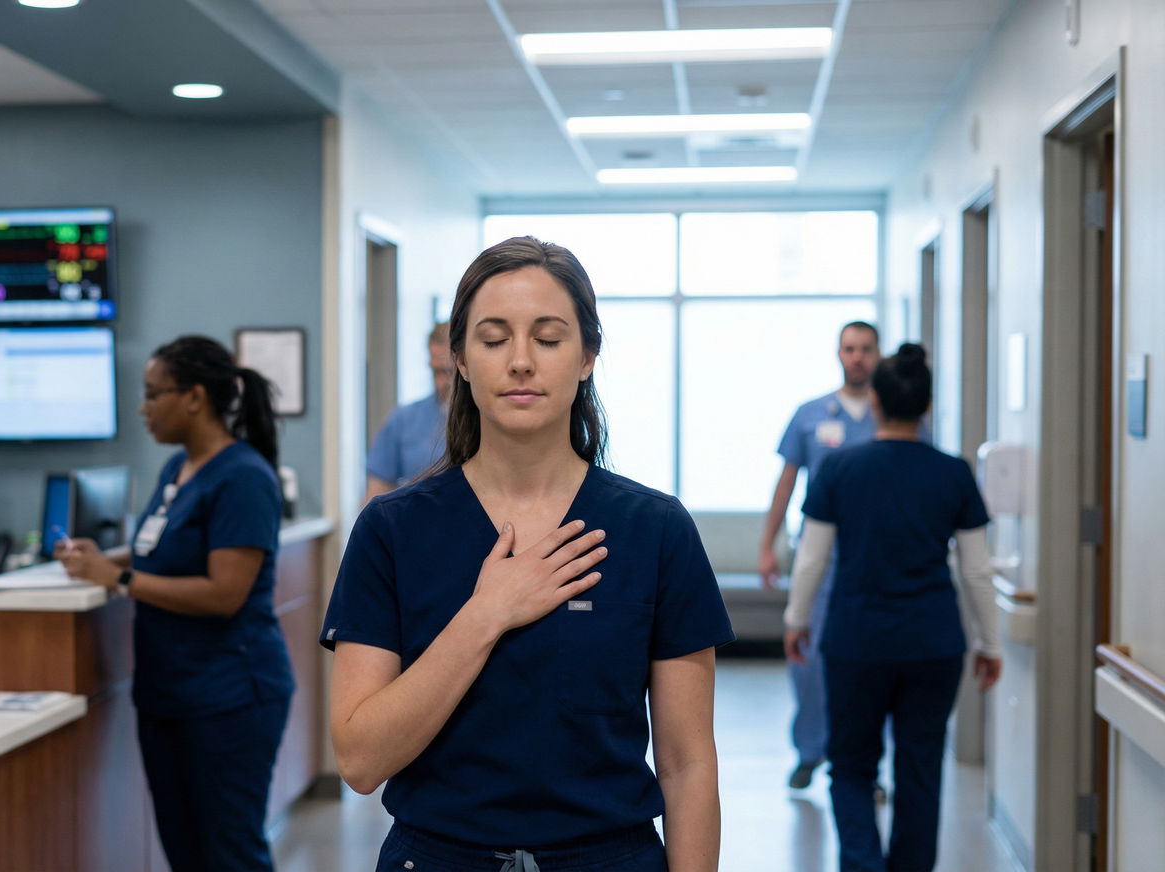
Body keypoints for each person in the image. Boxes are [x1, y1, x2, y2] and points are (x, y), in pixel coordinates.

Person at [323, 237, 733, 872]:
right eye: (493, 340)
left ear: (587, 356)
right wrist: (487, 613)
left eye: (547, 338)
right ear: (460, 360)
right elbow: (359, 759)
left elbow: (687, 764)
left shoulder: (655, 529)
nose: (520, 361)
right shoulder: (392, 530)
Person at [56, 335, 292, 872]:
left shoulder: (243, 477)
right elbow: (159, 549)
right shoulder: (176, 470)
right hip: (169, 695)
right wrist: (101, 559)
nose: (143, 408)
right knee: (184, 852)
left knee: (230, 854)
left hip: (230, 697)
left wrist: (118, 579)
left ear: (194, 398)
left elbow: (224, 594)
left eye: (152, 394)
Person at [784, 343, 1001, 872]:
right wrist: (990, 643)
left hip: (856, 641)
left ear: (876, 401)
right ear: (927, 407)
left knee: (851, 767)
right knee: (920, 770)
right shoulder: (953, 472)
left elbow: (812, 558)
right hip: (933, 643)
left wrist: (796, 621)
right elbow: (977, 570)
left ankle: (862, 864)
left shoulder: (840, 468)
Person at [762, 320, 903, 790]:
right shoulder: (809, 415)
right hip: (818, 561)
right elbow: (786, 483)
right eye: (849, 348)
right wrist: (767, 545)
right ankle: (810, 751)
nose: (857, 357)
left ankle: (867, 766)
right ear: (838, 354)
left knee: (874, 664)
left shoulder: (895, 417)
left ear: (878, 355)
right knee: (808, 657)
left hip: (877, 560)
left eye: (866, 349)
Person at [363, 321, 454, 501]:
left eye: (450, 372)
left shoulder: (489, 421)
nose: (442, 383)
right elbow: (376, 492)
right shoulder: (403, 420)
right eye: (436, 372)